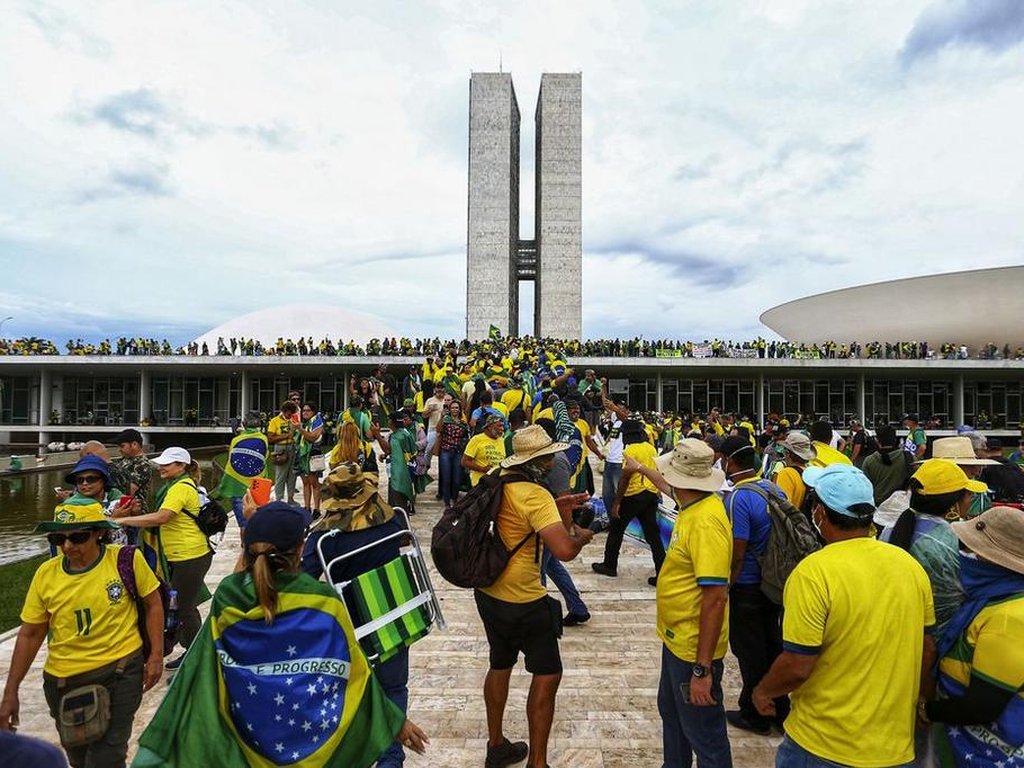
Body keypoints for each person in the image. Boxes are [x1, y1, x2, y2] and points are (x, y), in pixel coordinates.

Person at [133, 501, 428, 766]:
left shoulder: (227, 596)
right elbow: (354, 673)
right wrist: (393, 721)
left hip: (247, 735)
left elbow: (200, 665)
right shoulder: (322, 600)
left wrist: (250, 526)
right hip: (308, 739)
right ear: (301, 547)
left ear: (248, 547)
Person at [752, 464, 936, 768]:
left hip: (823, 746)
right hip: (895, 747)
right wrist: (922, 700)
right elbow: (927, 647)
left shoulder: (813, 573)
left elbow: (798, 665)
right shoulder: (909, 566)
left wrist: (763, 691)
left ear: (820, 514)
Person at [0, 503, 163, 767]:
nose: (67, 547)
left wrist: (155, 655)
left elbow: (153, 604)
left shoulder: (126, 560)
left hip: (120, 671)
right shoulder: (46, 574)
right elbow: (30, 634)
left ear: (99, 533)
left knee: (107, 757)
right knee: (78, 759)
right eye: (58, 539)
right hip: (63, 682)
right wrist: (11, 691)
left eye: (77, 537)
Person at [474, 426, 593, 768]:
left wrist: (558, 505)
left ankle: (496, 745)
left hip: (489, 589)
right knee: (547, 673)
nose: (552, 460)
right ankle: (537, 763)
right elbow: (565, 550)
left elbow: (517, 517)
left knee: (500, 662)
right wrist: (584, 534)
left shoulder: (499, 478)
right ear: (535, 460)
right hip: (524, 597)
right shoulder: (535, 495)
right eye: (547, 456)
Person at [301, 464, 418, 768]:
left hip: (350, 626)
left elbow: (303, 580)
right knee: (393, 688)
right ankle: (391, 759)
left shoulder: (325, 539)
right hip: (392, 615)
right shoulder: (392, 522)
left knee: (350, 693)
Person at [637, 438, 732, 768]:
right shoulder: (692, 505)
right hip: (676, 639)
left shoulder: (706, 522)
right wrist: (642, 470)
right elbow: (666, 486)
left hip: (693, 649)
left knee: (704, 733)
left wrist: (702, 668)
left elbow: (715, 598)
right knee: (672, 711)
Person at [923, 506, 1024, 767]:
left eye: (974, 551)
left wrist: (928, 710)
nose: (968, 556)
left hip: (989, 753)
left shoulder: (1009, 617)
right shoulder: (995, 597)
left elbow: (981, 706)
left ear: (995, 559)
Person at [113, 447, 212, 669]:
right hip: (180, 555)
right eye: (161, 463)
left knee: (182, 607)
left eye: (167, 464)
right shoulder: (174, 486)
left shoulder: (180, 489)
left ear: (181, 466)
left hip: (190, 555)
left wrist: (124, 521)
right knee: (185, 605)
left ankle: (198, 655)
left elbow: (163, 517)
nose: (161, 467)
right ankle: (193, 648)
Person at [718, 435, 790, 735]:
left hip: (747, 585)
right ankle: (780, 708)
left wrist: (728, 585)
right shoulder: (774, 489)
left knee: (749, 652)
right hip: (773, 583)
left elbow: (738, 548)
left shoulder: (738, 497)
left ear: (730, 461)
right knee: (772, 644)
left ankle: (754, 712)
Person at [881, 458, 987, 632]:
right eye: (969, 495)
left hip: (895, 630)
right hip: (942, 636)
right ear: (954, 505)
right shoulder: (953, 542)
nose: (972, 499)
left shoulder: (889, 531)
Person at [592, 419, 665, 585]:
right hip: (650, 494)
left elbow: (625, 477)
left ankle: (609, 565)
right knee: (653, 536)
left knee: (616, 529)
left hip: (633, 495)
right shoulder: (650, 447)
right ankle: (661, 572)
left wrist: (617, 502)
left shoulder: (630, 449)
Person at [57, 454, 131, 547]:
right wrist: (113, 519)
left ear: (103, 480)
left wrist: (135, 511)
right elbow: (86, 540)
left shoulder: (116, 497)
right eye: (80, 480)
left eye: (90, 479)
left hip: (120, 554)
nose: (85, 483)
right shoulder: (71, 507)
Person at [213, 411, 268, 531]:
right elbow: (264, 459)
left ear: (244, 424)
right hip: (256, 486)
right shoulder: (263, 439)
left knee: (244, 524)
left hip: (237, 486)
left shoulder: (236, 440)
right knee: (256, 522)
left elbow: (231, 464)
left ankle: (244, 548)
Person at [114, 427, 152, 544]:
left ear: (134, 444)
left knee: (131, 548)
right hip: (120, 511)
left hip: (135, 514)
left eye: (122, 446)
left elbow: (129, 490)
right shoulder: (124, 460)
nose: (119, 450)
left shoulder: (142, 464)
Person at [861, 424, 912, 506]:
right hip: (902, 506)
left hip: (878, 506)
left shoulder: (869, 461)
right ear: (895, 439)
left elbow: (865, 487)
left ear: (877, 440)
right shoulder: (908, 458)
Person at [437, 400, 471, 509]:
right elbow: (438, 429)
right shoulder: (446, 420)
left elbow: (467, 437)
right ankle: (447, 503)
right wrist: (442, 417)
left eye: (456, 408)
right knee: (446, 478)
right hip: (446, 451)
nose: (455, 410)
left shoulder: (463, 422)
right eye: (453, 408)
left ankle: (455, 499)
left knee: (457, 479)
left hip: (458, 452)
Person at [773, 432, 815, 512]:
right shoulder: (809, 472)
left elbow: (782, 509)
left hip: (792, 523)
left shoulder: (787, 473)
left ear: (788, 454)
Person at [266, 401, 299, 503]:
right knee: (281, 475)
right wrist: (286, 436)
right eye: (289, 413)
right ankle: (279, 499)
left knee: (292, 475)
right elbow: (270, 438)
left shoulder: (293, 420)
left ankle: (290, 497)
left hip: (292, 447)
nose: (290, 415)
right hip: (280, 448)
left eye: (292, 413)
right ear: (284, 411)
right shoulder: (274, 421)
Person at [296, 402, 325, 516]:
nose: (305, 413)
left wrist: (301, 429)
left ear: (313, 412)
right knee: (305, 483)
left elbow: (313, 437)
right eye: (303, 411)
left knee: (314, 483)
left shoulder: (317, 422)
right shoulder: (305, 423)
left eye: (308, 410)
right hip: (303, 456)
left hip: (313, 455)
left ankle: (316, 509)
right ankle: (307, 507)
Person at [462, 414, 507, 486]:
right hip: (480, 483)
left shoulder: (502, 441)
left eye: (502, 426)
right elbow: (465, 461)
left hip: (497, 482)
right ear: (489, 427)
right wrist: (483, 469)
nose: (502, 428)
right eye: (499, 426)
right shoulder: (477, 439)